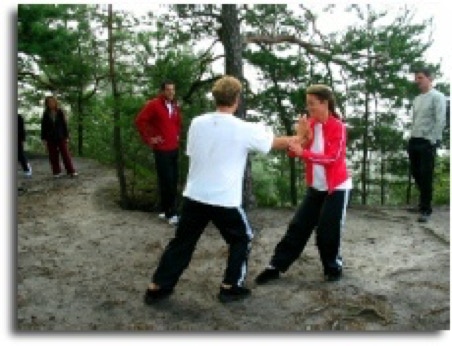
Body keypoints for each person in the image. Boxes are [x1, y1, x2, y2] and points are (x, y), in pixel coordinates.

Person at [143, 75, 299, 304]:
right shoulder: (244, 128)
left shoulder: (197, 123)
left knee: (182, 242)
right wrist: (302, 135)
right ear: (237, 99)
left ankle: (157, 287)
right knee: (242, 238)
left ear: (216, 98)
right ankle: (230, 286)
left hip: (195, 194)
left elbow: (193, 153)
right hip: (223, 199)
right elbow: (276, 143)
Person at [255, 84, 352, 285]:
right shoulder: (310, 124)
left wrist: (303, 153)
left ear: (325, 103)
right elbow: (296, 150)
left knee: (327, 231)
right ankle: (276, 266)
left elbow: (333, 158)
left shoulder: (338, 127)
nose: (309, 108)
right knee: (298, 226)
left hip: (336, 187)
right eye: (308, 104)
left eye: (312, 104)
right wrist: (296, 144)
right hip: (316, 186)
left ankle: (332, 267)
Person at [135, 80, 182, 226]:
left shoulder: (174, 105)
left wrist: (177, 134)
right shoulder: (154, 104)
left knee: (172, 180)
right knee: (168, 181)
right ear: (162, 91)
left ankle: (164, 209)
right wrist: (150, 138)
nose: (171, 92)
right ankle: (172, 214)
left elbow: (177, 123)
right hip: (162, 150)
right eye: (168, 90)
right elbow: (140, 121)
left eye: (173, 90)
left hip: (173, 148)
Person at [407, 67, 446, 223]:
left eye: (420, 78)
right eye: (416, 78)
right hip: (414, 139)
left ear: (430, 78)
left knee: (426, 174)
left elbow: (440, 119)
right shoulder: (417, 99)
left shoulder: (438, 97)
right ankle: (422, 202)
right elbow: (415, 119)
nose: (417, 81)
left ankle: (426, 209)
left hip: (428, 141)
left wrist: (433, 140)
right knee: (415, 172)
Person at [40, 96, 78, 178]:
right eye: (49, 102)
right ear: (47, 104)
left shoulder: (60, 112)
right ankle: (56, 172)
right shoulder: (45, 113)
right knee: (53, 155)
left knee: (65, 154)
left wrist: (67, 136)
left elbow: (65, 125)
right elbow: (43, 127)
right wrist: (43, 139)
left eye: (52, 102)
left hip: (61, 136)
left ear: (55, 102)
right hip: (50, 137)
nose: (51, 103)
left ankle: (71, 171)